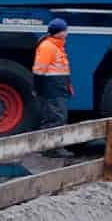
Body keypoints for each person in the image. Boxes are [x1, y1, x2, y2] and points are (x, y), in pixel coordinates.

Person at [32, 17, 72, 148]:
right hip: (52, 89)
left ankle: (49, 147)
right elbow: (39, 70)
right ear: (59, 32)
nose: (67, 32)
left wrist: (68, 86)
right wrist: (38, 89)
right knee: (56, 119)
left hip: (57, 88)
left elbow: (60, 70)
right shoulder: (48, 47)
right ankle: (52, 148)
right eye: (65, 30)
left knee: (54, 118)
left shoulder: (56, 46)